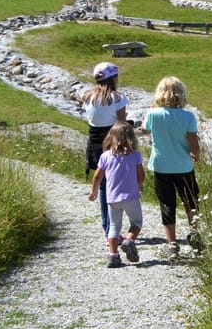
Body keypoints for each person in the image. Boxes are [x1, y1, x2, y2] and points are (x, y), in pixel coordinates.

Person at [141, 76, 201, 258]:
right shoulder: (188, 116)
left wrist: (149, 113)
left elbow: (144, 130)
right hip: (183, 165)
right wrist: (196, 156)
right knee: (191, 201)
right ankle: (194, 232)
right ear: (181, 93)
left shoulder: (153, 114)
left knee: (167, 204)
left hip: (161, 165)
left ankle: (172, 243)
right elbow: (193, 144)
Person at [82, 62, 128, 238]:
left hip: (94, 144)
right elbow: (122, 125)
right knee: (114, 186)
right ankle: (113, 229)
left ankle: (106, 227)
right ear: (113, 78)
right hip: (112, 144)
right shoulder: (118, 99)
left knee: (102, 185)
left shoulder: (88, 98)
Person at [88, 121, 144, 267]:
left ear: (111, 137)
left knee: (113, 226)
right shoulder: (135, 155)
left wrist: (94, 190)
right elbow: (141, 175)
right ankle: (129, 240)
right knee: (137, 222)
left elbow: (97, 176)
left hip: (112, 198)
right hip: (131, 196)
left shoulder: (105, 156)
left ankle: (113, 256)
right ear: (132, 138)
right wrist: (139, 185)